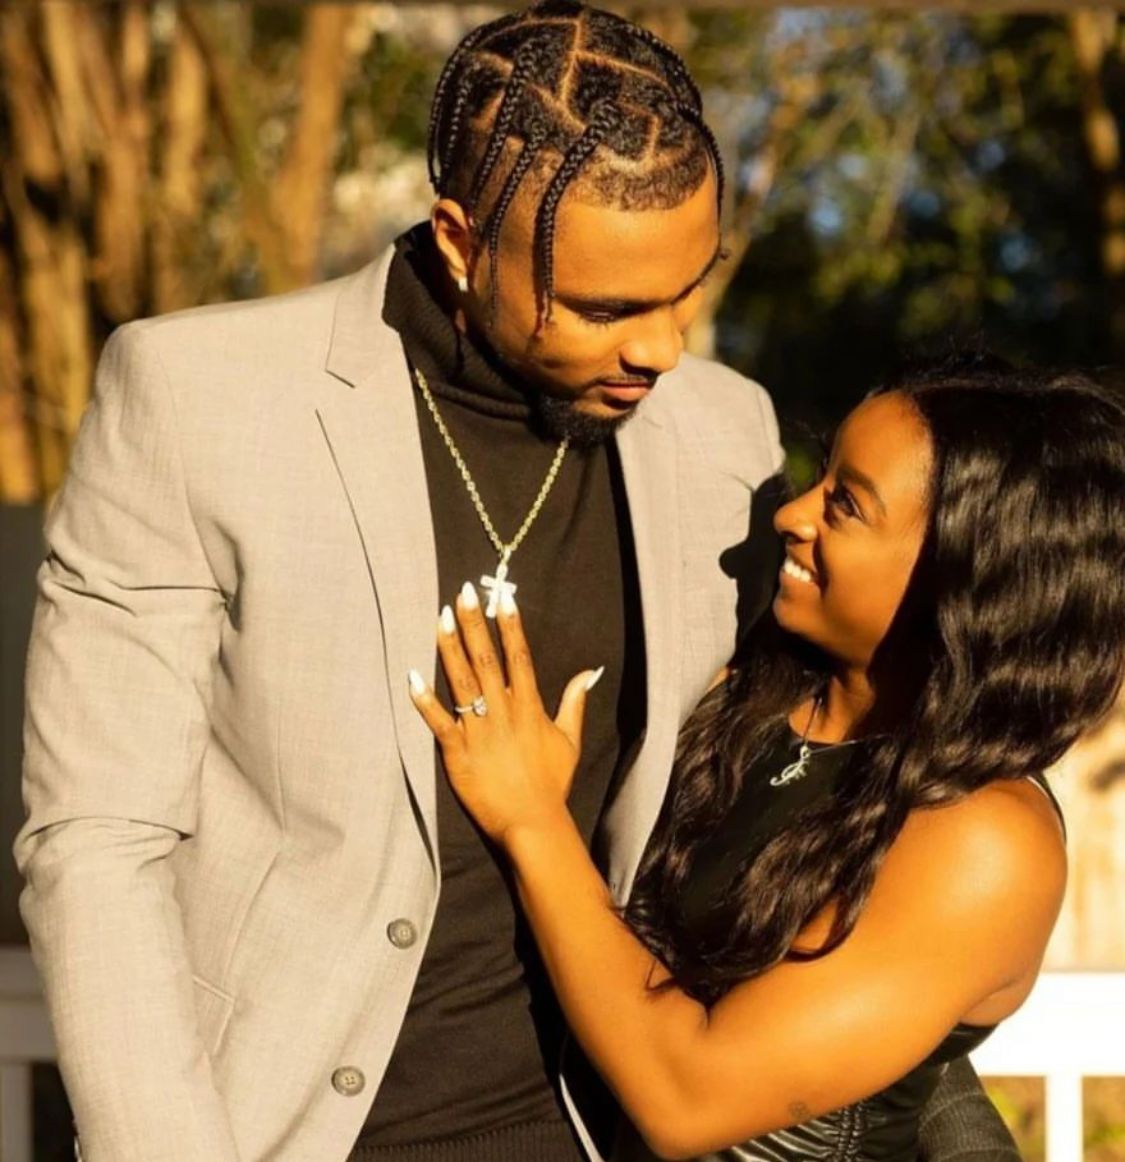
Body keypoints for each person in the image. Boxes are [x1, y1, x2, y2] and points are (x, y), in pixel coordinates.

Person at [15, 3, 1014, 1160]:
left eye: (690, 288)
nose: (662, 349)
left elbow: (816, 777)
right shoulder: (198, 398)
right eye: (605, 307)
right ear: (460, 239)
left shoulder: (725, 437)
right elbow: (96, 840)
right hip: (282, 1129)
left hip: (599, 1131)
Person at [411, 357, 1125, 1161]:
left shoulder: (984, 840)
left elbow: (688, 1098)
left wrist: (532, 819)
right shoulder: (749, 691)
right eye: (821, 475)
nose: (791, 514)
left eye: (846, 505)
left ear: (962, 576)